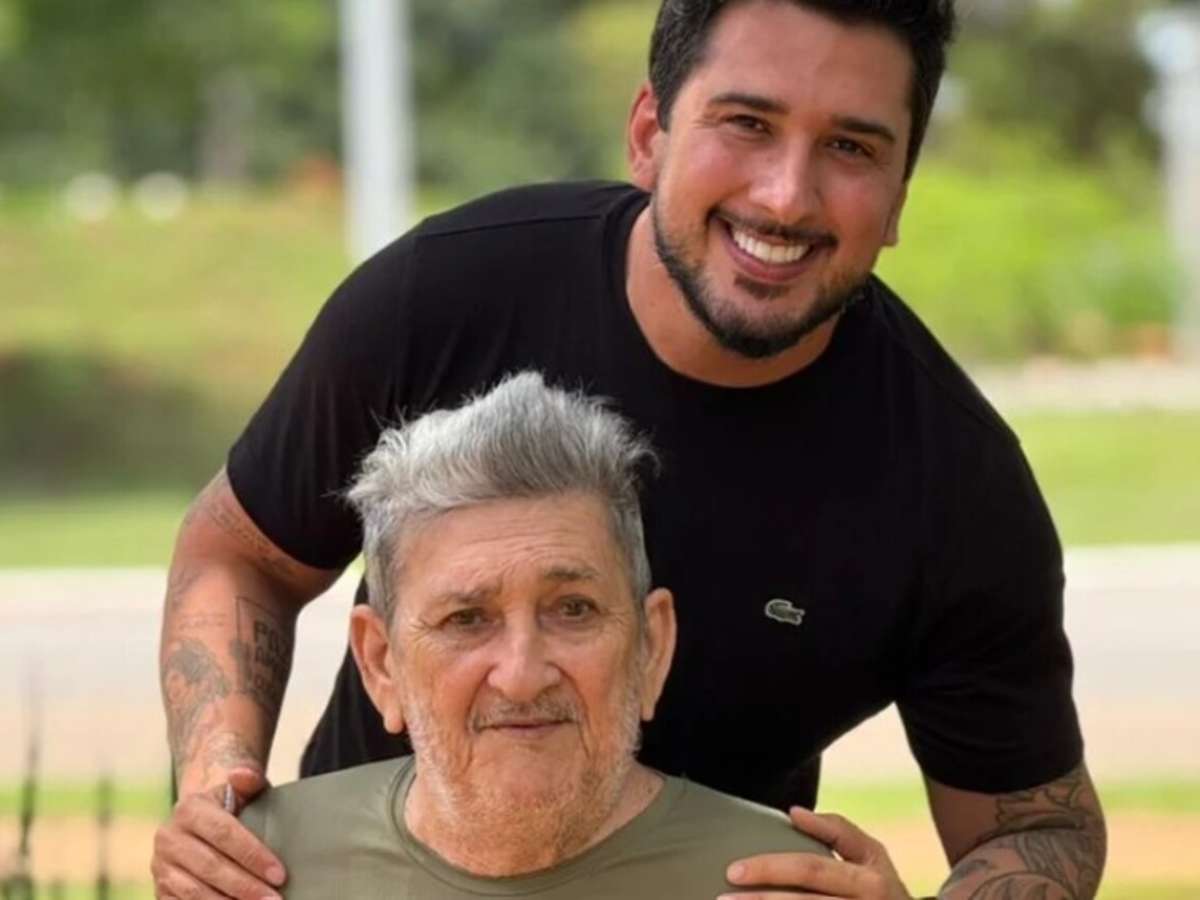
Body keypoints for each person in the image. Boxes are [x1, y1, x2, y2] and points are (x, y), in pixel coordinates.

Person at [153, 2, 1107, 898]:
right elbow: (240, 554)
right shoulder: (440, 300)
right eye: (747, 123)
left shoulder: (955, 486)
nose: (785, 196)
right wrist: (219, 793)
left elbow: (1042, 826)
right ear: (650, 132)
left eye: (851, 147)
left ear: (899, 196)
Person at [238, 372, 831, 896]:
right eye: (466, 619)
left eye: (573, 609)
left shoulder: (783, 881)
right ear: (381, 662)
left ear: (651, 648)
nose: (521, 678)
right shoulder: (253, 868)